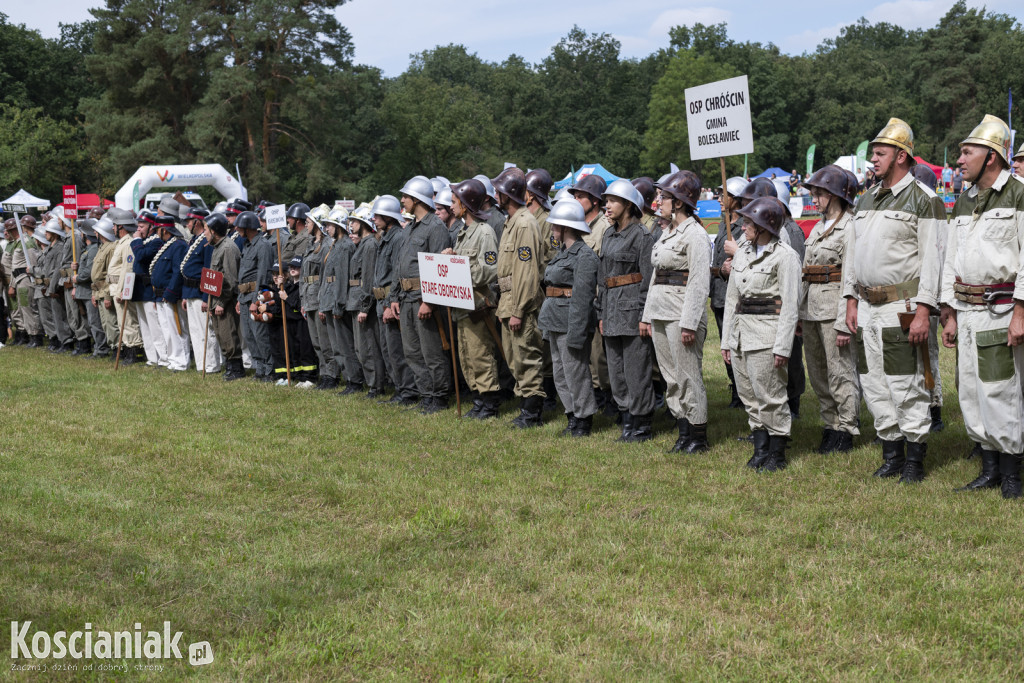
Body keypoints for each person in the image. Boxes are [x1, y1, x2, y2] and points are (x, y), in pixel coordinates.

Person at [844, 118, 945, 483]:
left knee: (905, 382)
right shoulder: (867, 197)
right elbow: (852, 254)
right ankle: (891, 452)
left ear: (901, 156)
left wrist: (924, 311)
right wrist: (850, 299)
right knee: (873, 383)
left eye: (880, 152)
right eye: (874, 152)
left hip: (901, 307)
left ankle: (915, 458)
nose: (873, 158)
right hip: (867, 306)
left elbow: (934, 260)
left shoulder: (925, 199)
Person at [941, 115, 1024, 499]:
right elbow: (951, 259)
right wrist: (950, 311)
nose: (960, 159)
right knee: (971, 391)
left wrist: (1020, 313)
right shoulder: (965, 199)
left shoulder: (1019, 194)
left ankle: (1012, 475)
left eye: (966, 151)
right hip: (968, 310)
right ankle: (989, 468)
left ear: (991, 156)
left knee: (1000, 390)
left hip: (1001, 310)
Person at [721, 197, 801, 472]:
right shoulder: (742, 252)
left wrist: (782, 347)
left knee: (770, 395)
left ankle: (777, 452)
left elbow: (791, 305)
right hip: (741, 334)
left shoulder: (785, 256)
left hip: (768, 335)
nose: (743, 228)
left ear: (764, 226)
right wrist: (726, 341)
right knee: (749, 395)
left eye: (747, 223)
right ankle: (760, 448)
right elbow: (732, 299)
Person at [643, 170, 711, 451]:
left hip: (681, 313)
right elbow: (656, 276)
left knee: (688, 376)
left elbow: (698, 282)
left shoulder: (695, 234)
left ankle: (698, 435)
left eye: (665, 197)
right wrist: (647, 316)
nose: (659, 201)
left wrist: (690, 323)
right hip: (660, 311)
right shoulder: (667, 232)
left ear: (679, 202)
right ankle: (682, 429)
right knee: (670, 377)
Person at [801, 166, 860, 453]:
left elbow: (850, 275)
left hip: (833, 308)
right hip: (811, 310)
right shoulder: (817, 227)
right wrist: (800, 312)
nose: (814, 198)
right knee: (818, 373)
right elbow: (807, 272)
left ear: (836, 194)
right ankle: (830, 424)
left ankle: (846, 428)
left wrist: (842, 320)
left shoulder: (850, 227)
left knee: (840, 371)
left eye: (820, 193)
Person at [598, 179, 656, 442]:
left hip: (632, 310)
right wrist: (600, 313)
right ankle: (626, 418)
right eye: (606, 200)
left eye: (613, 201)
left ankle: (642, 422)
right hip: (610, 310)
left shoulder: (642, 236)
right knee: (616, 370)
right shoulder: (608, 234)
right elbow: (602, 278)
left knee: (636, 370)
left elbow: (647, 278)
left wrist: (645, 315)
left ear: (629, 205)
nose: (607, 205)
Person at [390, 176, 453, 414]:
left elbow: (439, 267)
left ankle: (439, 397)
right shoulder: (411, 227)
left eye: (405, 196)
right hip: (405, 298)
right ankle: (426, 395)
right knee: (412, 351)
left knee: (432, 351)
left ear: (417, 199)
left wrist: (429, 301)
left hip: (422, 298)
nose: (402, 200)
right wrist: (394, 297)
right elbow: (400, 265)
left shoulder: (435, 227)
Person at [441, 179, 502, 419]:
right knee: (466, 354)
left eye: (455, 201)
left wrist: (459, 269)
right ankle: (477, 400)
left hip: (478, 304)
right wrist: (452, 257)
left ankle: (489, 403)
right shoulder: (463, 232)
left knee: (480, 354)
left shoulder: (484, 232)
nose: (451, 205)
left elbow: (490, 269)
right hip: (462, 305)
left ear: (466, 205)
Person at [539, 198, 600, 436]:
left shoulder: (584, 256)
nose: (552, 230)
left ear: (567, 227)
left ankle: (584, 419)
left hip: (569, 323)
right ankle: (572, 415)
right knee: (560, 374)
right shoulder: (562, 253)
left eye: (556, 226)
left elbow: (582, 298)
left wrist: (577, 332)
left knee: (576, 373)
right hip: (555, 320)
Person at [493, 167, 547, 427]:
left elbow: (526, 273)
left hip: (519, 303)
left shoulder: (524, 223)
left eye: (498, 190)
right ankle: (526, 406)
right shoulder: (511, 222)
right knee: (515, 359)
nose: (495, 193)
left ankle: (532, 412)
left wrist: (518, 309)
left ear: (508, 194)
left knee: (526, 356)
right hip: (508, 300)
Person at [372, 195, 417, 404]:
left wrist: (391, 303)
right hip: (383, 301)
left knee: (398, 351)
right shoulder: (385, 237)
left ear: (388, 216)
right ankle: (400, 389)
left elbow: (397, 273)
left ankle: (408, 391)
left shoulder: (397, 237)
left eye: (377, 215)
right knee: (388, 350)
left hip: (391, 301)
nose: (373, 219)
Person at [711, 176, 748, 409]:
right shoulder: (722, 224)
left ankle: (743, 390)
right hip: (719, 291)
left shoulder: (743, 226)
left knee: (737, 343)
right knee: (725, 344)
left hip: (734, 293)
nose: (719, 198)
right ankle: (734, 386)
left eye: (723, 194)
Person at [320, 207, 362, 393]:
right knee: (337, 345)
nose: (327, 229)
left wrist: (339, 305)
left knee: (345, 344)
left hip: (339, 300)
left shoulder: (345, 246)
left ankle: (355, 381)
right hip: (330, 298)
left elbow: (343, 278)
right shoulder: (335, 245)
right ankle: (349, 378)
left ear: (338, 226)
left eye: (329, 225)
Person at [347, 205, 386, 397]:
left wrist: (365, 306)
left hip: (364, 302)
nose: (350, 225)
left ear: (363, 223)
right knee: (361, 347)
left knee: (369, 347)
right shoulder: (363, 243)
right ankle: (372, 383)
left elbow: (369, 278)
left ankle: (376, 385)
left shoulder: (370, 245)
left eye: (353, 221)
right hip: (356, 299)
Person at [235, 210, 275, 381]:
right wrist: (239, 298)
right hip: (244, 296)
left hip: (255, 297)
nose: (237, 229)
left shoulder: (263, 245)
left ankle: (270, 370)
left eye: (240, 227)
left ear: (248, 227)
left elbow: (263, 275)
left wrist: (255, 300)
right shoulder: (247, 245)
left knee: (260, 335)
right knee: (249, 336)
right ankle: (259, 368)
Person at [149, 214, 190, 371]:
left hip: (170, 295)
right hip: (161, 295)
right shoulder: (166, 245)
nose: (155, 233)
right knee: (167, 330)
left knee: (177, 330)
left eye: (157, 230)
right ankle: (173, 359)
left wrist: (170, 293)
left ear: (164, 230)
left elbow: (177, 272)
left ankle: (181, 362)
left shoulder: (178, 246)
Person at [300, 205, 335, 388]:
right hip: (309, 297)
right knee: (316, 342)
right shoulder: (311, 243)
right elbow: (304, 275)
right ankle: (324, 374)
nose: (306, 224)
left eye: (309, 221)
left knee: (325, 341)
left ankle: (332, 375)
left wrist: (323, 303)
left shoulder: (328, 245)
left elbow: (325, 276)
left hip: (320, 298)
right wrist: (303, 300)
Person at [3, 216, 42, 347]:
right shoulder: (17, 243)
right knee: (23, 308)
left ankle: (35, 336)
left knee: (29, 308)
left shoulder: (26, 242)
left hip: (26, 279)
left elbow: (34, 262)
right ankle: (30, 335)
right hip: (18, 279)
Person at [89, 215, 120, 357]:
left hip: (106, 291)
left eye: (97, 231)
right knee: (105, 323)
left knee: (111, 322)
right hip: (99, 291)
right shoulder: (102, 248)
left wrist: (107, 295)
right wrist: (95, 294)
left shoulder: (111, 248)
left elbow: (110, 273)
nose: (95, 233)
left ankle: (117, 349)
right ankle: (112, 346)